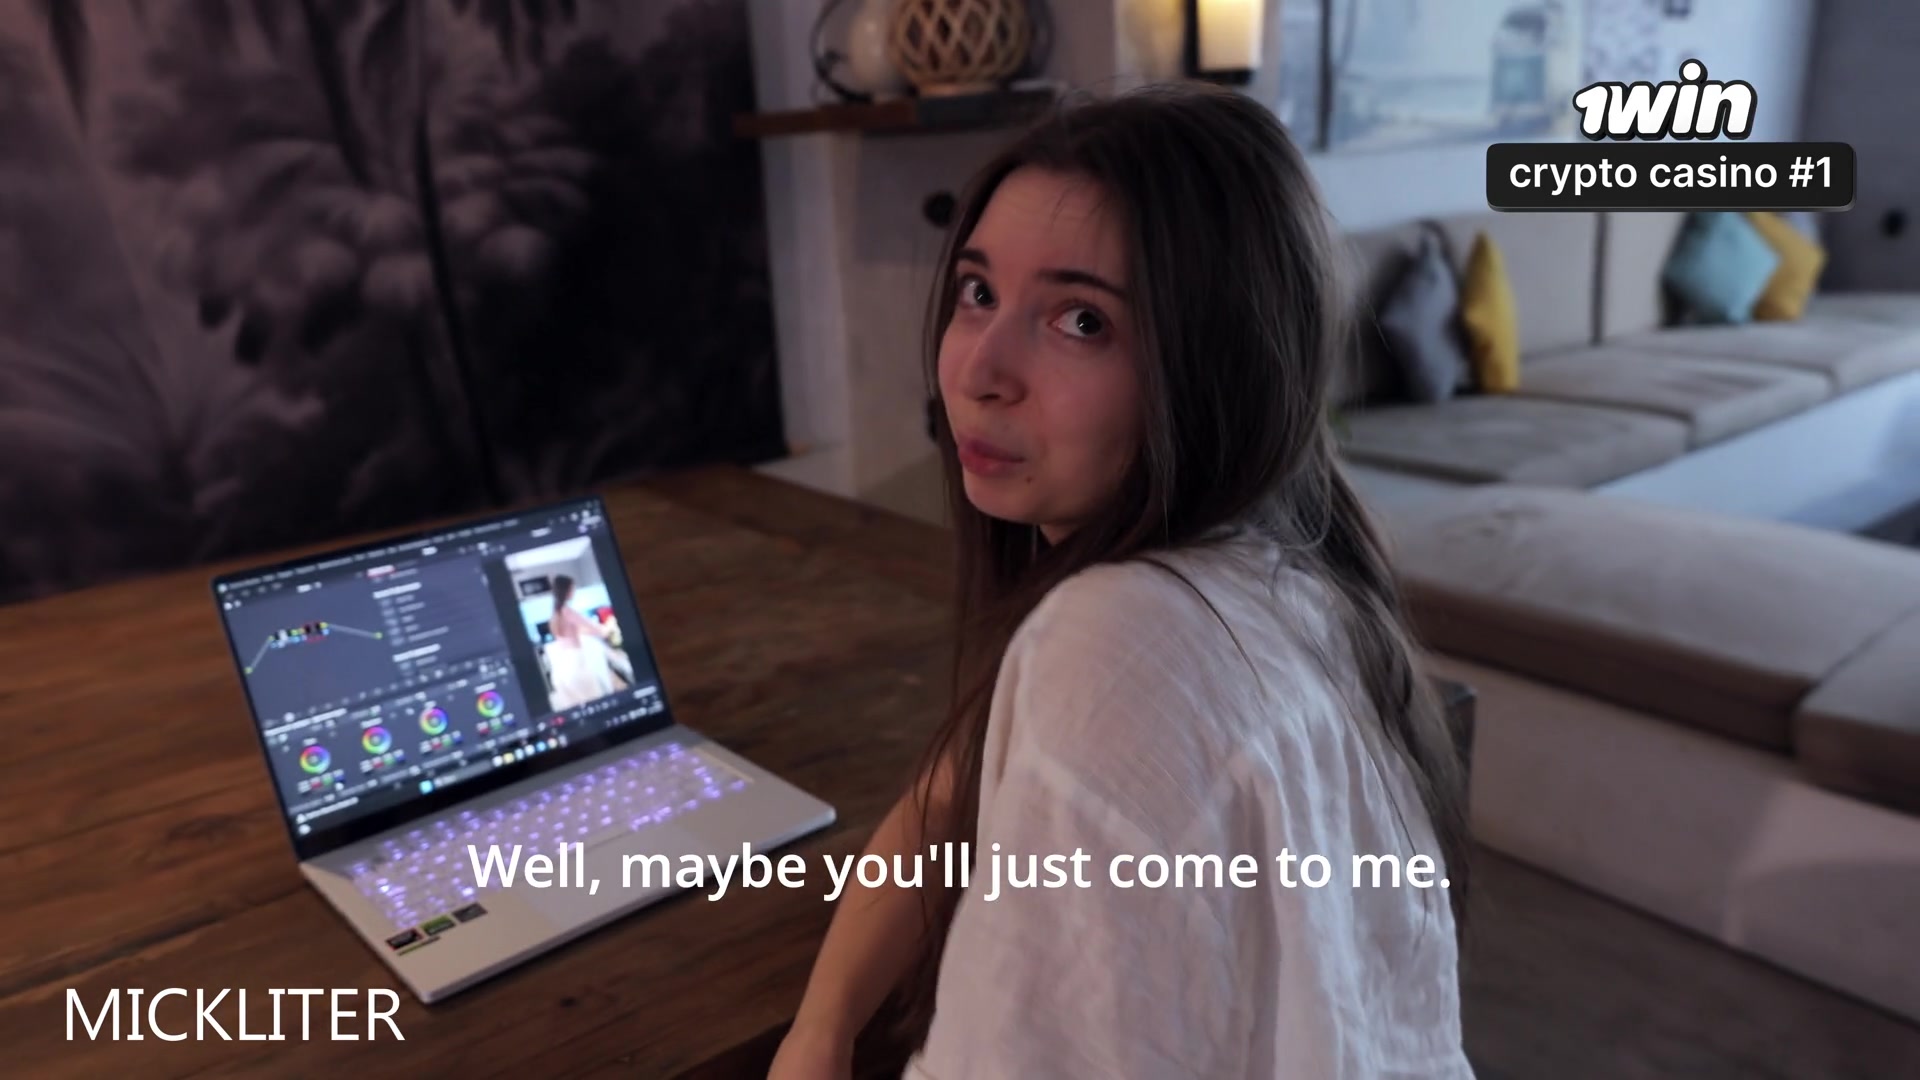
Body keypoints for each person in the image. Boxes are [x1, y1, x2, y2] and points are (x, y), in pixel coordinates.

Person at [769, 82, 1474, 1078]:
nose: (979, 369)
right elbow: (952, 785)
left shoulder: (1124, 634)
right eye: (978, 293)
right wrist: (824, 1023)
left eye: (1081, 321)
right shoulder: (1295, 579)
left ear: (1215, 364)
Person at [543, 574, 626, 709]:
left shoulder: (556, 614)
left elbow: (579, 630)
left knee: (580, 703)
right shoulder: (567, 611)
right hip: (576, 660)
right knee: (593, 698)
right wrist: (610, 626)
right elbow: (595, 629)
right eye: (572, 588)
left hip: (564, 663)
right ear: (567, 590)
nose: (574, 591)